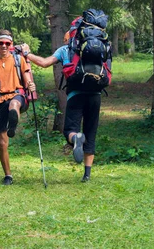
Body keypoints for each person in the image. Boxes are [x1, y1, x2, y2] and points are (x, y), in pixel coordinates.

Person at [21, 16, 105, 182]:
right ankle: (87, 175)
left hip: (76, 95)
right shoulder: (100, 46)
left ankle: (76, 139)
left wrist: (27, 54)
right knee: (91, 132)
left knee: (70, 130)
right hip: (96, 94)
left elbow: (45, 63)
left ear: (71, 34)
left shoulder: (66, 49)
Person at [0, 30, 36, 185]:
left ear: (11, 44)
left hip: (17, 95)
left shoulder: (18, 59)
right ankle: (8, 175)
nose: (4, 46)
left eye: (8, 43)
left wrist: (30, 84)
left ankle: (13, 124)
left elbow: (26, 77)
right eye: (2, 43)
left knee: (14, 105)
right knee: (2, 142)